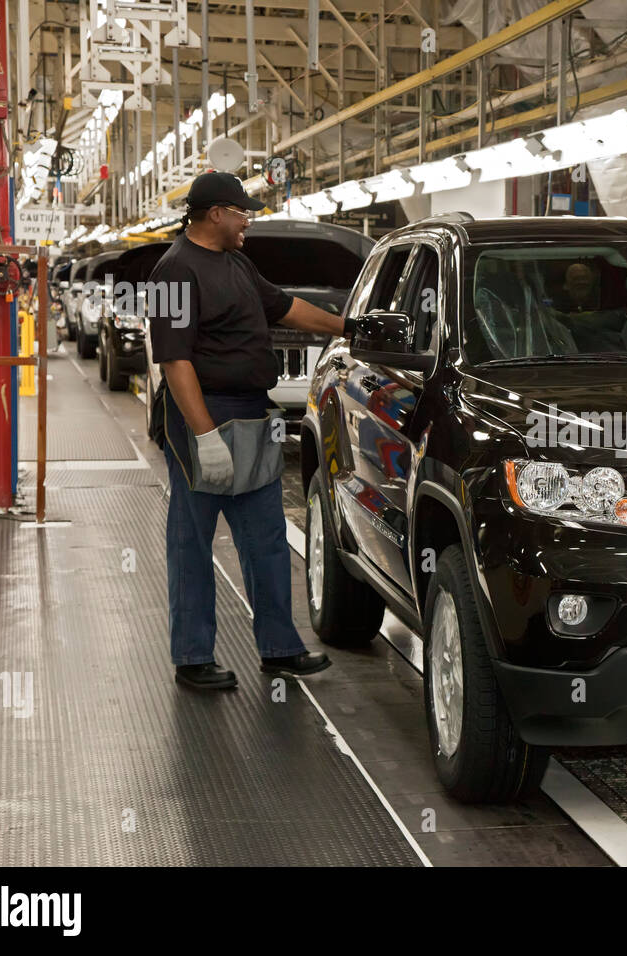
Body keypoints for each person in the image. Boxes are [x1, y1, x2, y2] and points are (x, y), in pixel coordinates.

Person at [148, 171, 360, 691]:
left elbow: (285, 306)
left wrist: (350, 326)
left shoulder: (237, 262)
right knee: (192, 541)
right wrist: (202, 436)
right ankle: (193, 657)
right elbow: (175, 363)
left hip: (253, 413)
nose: (248, 219)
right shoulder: (173, 273)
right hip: (205, 414)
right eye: (242, 211)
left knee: (265, 539)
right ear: (215, 213)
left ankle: (279, 648)